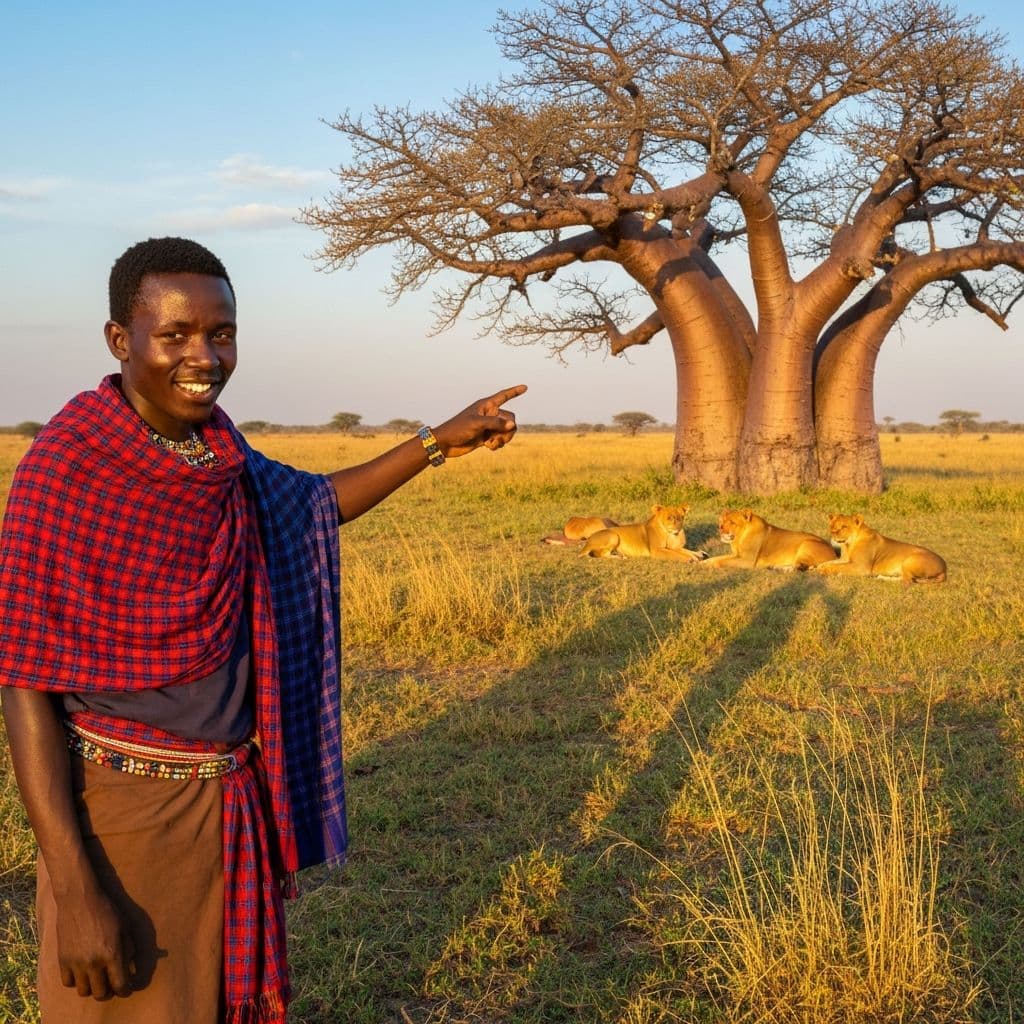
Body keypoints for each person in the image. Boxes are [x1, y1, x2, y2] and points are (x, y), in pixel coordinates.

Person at [0, 236, 526, 1024]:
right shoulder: (66, 467)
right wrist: (75, 889)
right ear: (121, 340)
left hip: (228, 804)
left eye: (222, 333)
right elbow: (23, 681)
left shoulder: (220, 455)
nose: (203, 356)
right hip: (120, 821)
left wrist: (433, 442)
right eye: (174, 334)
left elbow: (318, 501)